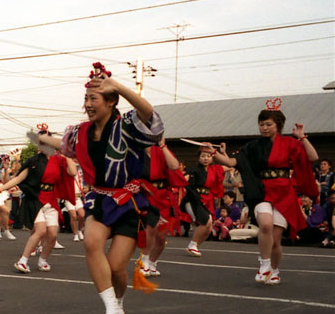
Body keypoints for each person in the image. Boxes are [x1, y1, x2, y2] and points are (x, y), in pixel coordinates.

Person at [54, 62, 164, 314]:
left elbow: (150, 116)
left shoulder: (127, 125)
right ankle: (111, 308)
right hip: (99, 200)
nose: (88, 104)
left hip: (127, 202)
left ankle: (119, 301)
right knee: (91, 243)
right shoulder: (79, 131)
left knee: (116, 268)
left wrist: (120, 87)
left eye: (94, 98)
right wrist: (44, 139)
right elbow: (66, 147)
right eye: (86, 98)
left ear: (111, 101)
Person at [203, 98, 318, 284]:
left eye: (268, 124)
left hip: (284, 193)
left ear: (278, 125)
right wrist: (213, 153)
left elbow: (313, 157)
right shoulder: (252, 146)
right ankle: (264, 264)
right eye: (261, 124)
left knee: (276, 239)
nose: (264, 128)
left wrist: (302, 137)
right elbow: (232, 162)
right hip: (261, 190)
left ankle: (275, 269)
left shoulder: (289, 143)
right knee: (265, 224)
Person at [0, 130, 76, 274]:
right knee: (40, 230)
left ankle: (43, 259)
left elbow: (73, 172)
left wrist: (67, 152)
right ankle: (23, 261)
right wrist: (1, 188)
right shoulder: (34, 161)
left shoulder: (60, 160)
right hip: (35, 198)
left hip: (51, 199)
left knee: (52, 234)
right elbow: (19, 178)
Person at [136, 138, 186, 277]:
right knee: (150, 228)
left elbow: (174, 166)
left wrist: (163, 146)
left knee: (162, 236)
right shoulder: (136, 152)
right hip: (146, 196)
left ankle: (153, 262)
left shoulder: (160, 151)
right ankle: (144, 260)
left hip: (163, 196)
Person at [181, 148, 224, 257]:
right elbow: (183, 179)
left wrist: (222, 153)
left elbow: (229, 165)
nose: (205, 158)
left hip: (207, 200)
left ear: (212, 157)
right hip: (193, 199)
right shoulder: (194, 170)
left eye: (208, 156)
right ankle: (192, 244)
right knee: (206, 222)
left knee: (209, 227)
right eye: (203, 156)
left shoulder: (215, 169)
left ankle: (194, 245)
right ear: (198, 158)